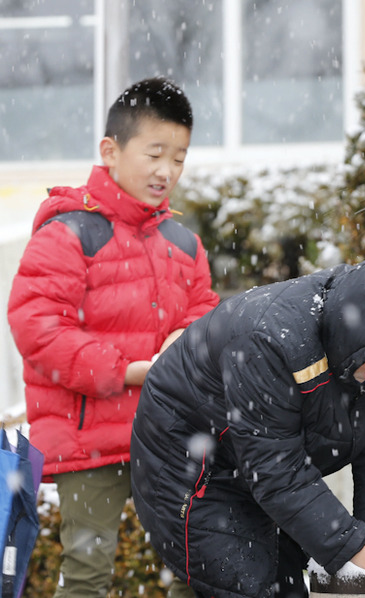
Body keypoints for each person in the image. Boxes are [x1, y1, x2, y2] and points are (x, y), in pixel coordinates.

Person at [130, 245, 365, 597]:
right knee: (247, 584)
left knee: (286, 584)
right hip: (191, 462)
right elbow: (275, 469)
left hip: (256, 466)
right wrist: (351, 542)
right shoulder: (271, 340)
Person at [6, 77, 220, 597]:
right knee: (87, 567)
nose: (167, 171)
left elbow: (206, 317)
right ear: (110, 150)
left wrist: (186, 342)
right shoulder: (69, 233)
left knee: (198, 560)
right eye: (154, 154)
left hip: (168, 432)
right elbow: (37, 327)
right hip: (88, 436)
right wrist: (122, 370)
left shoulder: (183, 244)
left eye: (180, 158)